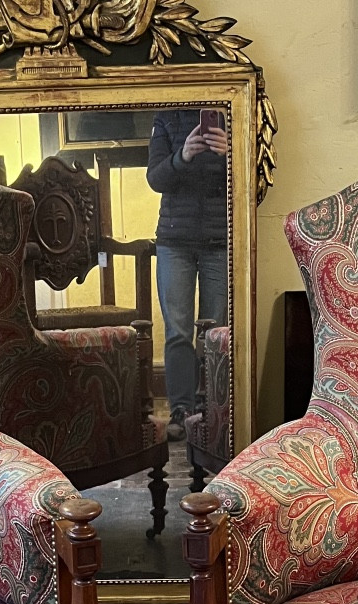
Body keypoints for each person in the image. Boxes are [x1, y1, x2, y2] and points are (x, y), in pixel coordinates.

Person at [146, 109, 229, 441]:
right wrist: (182, 156)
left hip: (221, 240)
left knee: (215, 332)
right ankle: (180, 410)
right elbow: (155, 179)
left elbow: (255, 180)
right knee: (178, 331)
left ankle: (210, 408)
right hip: (173, 242)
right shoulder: (165, 118)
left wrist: (229, 156)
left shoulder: (233, 113)